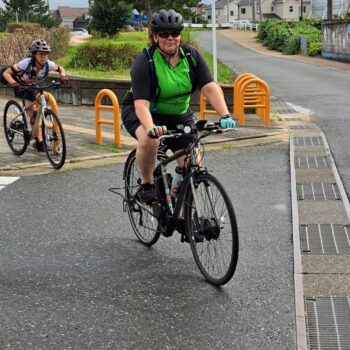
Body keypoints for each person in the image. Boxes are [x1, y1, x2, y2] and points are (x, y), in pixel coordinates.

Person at [121, 9, 235, 202]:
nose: (170, 38)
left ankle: (185, 219)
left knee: (194, 165)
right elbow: (141, 104)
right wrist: (151, 129)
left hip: (179, 115)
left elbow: (209, 87)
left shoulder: (191, 56)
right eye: (164, 34)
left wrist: (225, 116)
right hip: (144, 112)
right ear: (155, 37)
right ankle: (147, 184)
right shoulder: (144, 62)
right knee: (150, 141)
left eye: (175, 33)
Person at [3, 39, 68, 152]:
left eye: (46, 54)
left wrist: (62, 76)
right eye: (40, 54)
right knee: (32, 112)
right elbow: (6, 73)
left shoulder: (48, 64)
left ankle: (35, 121)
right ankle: (39, 141)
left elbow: (61, 68)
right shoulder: (26, 63)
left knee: (38, 98)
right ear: (34, 55)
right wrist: (14, 84)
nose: (43, 57)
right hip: (19, 82)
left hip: (32, 84)